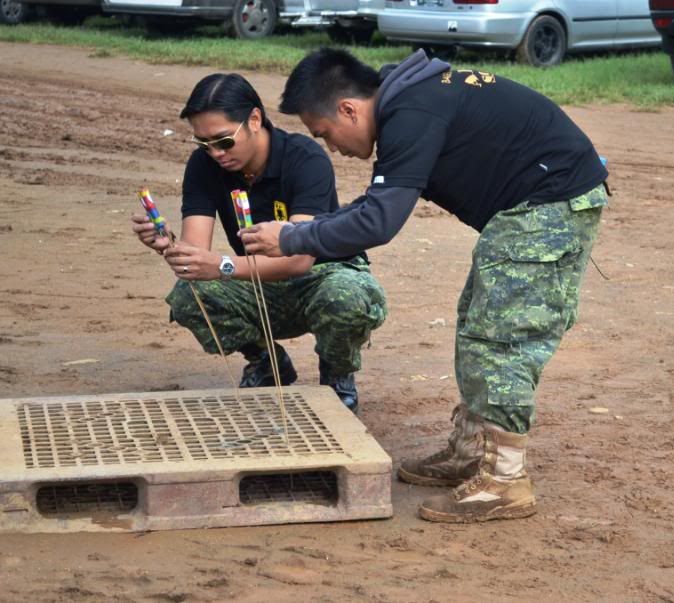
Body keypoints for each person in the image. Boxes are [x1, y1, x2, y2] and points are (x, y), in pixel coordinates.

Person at [238, 48, 608, 523]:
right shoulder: (409, 103)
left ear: (348, 109)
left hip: (549, 207)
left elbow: (379, 222)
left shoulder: (411, 112)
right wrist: (308, 230)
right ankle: (473, 451)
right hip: (530, 209)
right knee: (478, 324)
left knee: (499, 340)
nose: (330, 147)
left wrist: (292, 235)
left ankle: (505, 480)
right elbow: (376, 203)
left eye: (325, 134)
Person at [130, 73, 387, 412]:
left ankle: (337, 375)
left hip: (322, 276)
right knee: (189, 294)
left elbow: (299, 261)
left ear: (254, 119)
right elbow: (195, 259)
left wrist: (219, 265)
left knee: (346, 297)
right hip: (258, 277)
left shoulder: (304, 158)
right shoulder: (204, 166)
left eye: (223, 141)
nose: (215, 153)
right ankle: (267, 362)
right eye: (203, 144)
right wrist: (167, 245)